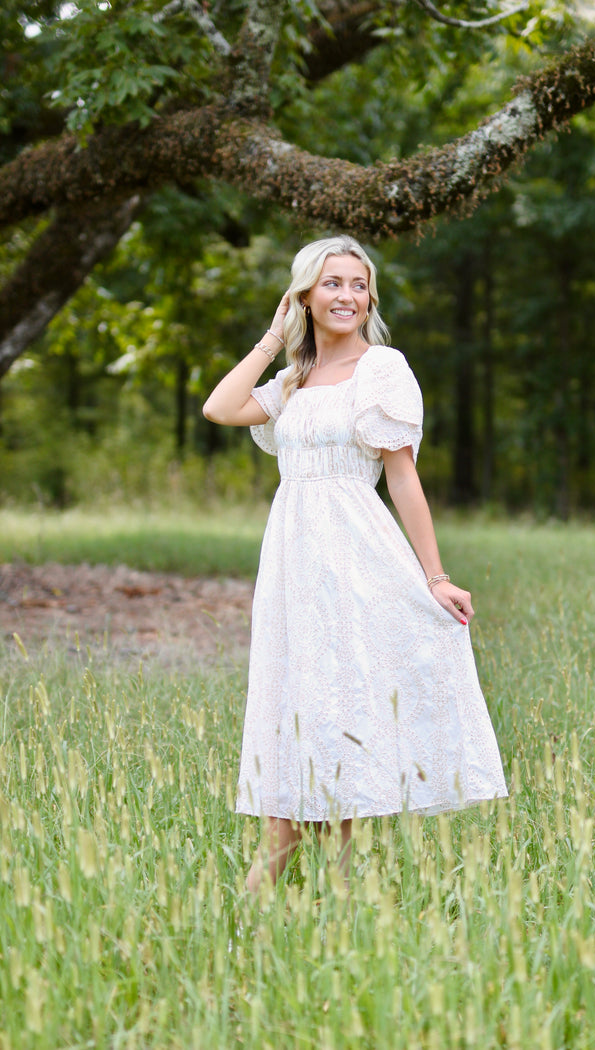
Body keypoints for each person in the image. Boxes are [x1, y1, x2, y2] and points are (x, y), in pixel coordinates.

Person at [203, 235, 507, 892]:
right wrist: (271, 338)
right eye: (332, 284)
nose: (348, 296)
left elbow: (403, 478)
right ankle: (299, 874)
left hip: (357, 553)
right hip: (291, 558)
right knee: (299, 700)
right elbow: (220, 408)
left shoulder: (382, 370)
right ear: (305, 296)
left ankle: (336, 894)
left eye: (358, 284)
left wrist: (436, 576)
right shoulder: (292, 380)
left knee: (345, 703)